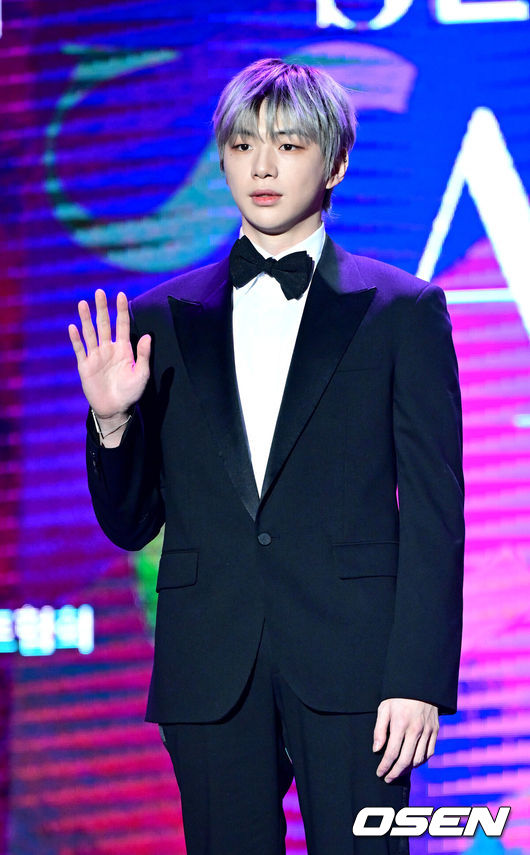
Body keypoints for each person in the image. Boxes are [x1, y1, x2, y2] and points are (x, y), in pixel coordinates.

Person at [68, 58, 465, 855]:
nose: (262, 166)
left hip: (356, 667)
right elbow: (131, 522)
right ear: (221, 160)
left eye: (288, 145)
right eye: (244, 145)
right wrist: (112, 422)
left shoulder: (402, 310)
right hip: (211, 665)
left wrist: (417, 678)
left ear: (335, 163)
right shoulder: (159, 320)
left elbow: (434, 513)